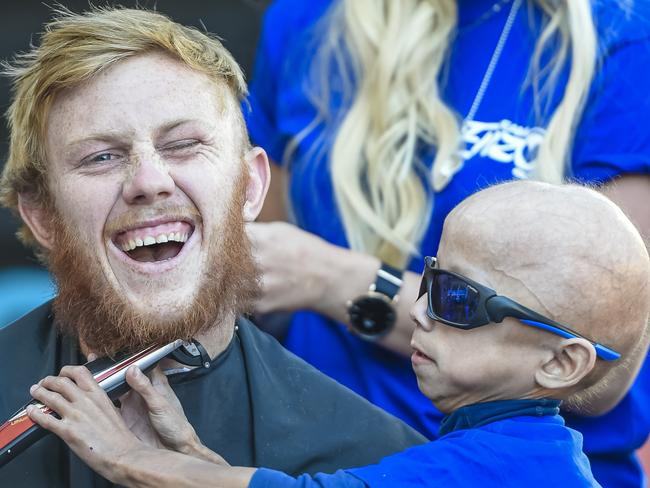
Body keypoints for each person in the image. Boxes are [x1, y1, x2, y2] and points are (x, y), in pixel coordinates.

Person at [0, 7, 426, 487]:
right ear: (42, 215)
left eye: (182, 145)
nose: (149, 181)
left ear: (249, 187)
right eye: (102, 156)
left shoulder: (372, 458)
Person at [244, 0, 650, 485]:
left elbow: (607, 370)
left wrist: (336, 280)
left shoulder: (627, 31)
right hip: (306, 450)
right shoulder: (304, 19)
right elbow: (264, 281)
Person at [26, 181, 650, 487]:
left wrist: (127, 458)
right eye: (431, 279)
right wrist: (188, 453)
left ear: (562, 363)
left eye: (459, 300)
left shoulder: (505, 467)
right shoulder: (508, 449)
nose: (422, 311)